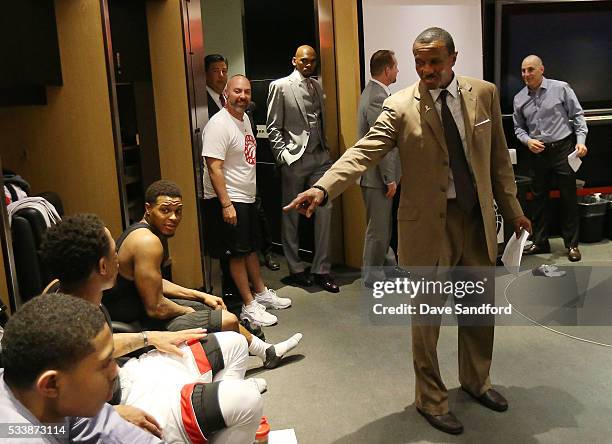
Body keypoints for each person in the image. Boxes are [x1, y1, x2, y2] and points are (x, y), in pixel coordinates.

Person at [285, 27, 531, 435]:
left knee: (478, 309)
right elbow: (364, 150)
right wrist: (323, 187)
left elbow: (498, 163)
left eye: (435, 61)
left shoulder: (483, 94)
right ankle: (430, 399)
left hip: (476, 220)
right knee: (428, 319)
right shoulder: (400, 106)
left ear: (454, 57)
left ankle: (475, 380)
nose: (426, 69)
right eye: (419, 62)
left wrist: (514, 210)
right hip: (427, 225)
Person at [39, 213, 268, 443]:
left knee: (235, 342)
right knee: (247, 400)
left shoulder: (62, 289)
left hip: (129, 374)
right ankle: (208, 412)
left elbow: (105, 348)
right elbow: (46, 409)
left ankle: (208, 416)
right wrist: (110, 414)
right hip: (124, 402)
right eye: (114, 251)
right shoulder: (64, 326)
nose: (119, 256)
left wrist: (150, 338)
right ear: (102, 266)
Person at [102, 182, 301, 367]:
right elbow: (156, 308)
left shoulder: (141, 232)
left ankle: (262, 350)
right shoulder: (148, 242)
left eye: (178, 211)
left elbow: (154, 281)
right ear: (148, 209)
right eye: (165, 210)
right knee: (227, 320)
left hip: (142, 310)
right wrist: (188, 311)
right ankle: (264, 354)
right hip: (139, 322)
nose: (173, 217)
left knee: (208, 304)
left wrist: (200, 295)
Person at [0, 293, 164, 443]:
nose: (115, 371)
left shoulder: (56, 402)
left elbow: (104, 427)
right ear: (51, 384)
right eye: (105, 363)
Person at [202, 75, 292, 328]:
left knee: (251, 247)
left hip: (247, 197)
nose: (242, 96)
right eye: (237, 91)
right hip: (229, 199)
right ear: (227, 94)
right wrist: (226, 204)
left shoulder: (245, 120)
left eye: (247, 92)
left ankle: (261, 292)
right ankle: (249, 305)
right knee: (238, 254)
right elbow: (214, 167)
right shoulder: (219, 124)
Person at [266, 45, 339, 293]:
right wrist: (284, 157)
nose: (309, 65)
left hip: (320, 156)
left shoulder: (317, 86)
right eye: (305, 61)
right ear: (294, 61)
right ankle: (296, 268)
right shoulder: (280, 86)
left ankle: (321, 269)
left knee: (326, 207)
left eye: (313, 61)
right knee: (291, 214)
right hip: (295, 158)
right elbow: (273, 126)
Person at [513, 55, 588, 262]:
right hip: (538, 152)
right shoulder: (519, 98)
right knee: (538, 199)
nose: (526, 74)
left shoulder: (561, 88)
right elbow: (518, 128)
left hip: (563, 149)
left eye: (530, 70)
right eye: (523, 71)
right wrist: (527, 141)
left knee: (568, 197)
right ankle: (540, 241)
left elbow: (577, 116)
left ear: (541, 69)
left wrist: (580, 141)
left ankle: (572, 244)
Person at [357, 49, 404, 287]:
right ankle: (372, 277)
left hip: (378, 177)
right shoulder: (378, 97)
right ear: (387, 70)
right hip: (377, 178)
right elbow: (381, 143)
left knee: (383, 227)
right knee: (377, 229)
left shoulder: (376, 92)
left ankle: (387, 267)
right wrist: (389, 178)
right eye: (395, 67)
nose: (398, 71)